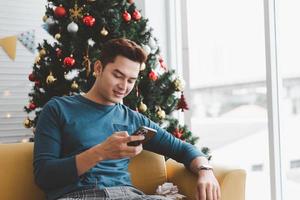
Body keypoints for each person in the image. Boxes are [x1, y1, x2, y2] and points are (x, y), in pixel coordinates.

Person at [33, 38, 221, 200]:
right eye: (118, 75)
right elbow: (44, 176)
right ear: (98, 68)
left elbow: (182, 149)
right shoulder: (58, 109)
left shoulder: (134, 120)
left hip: (128, 195)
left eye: (131, 80)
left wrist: (206, 171)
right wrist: (100, 152)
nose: (124, 86)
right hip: (79, 195)